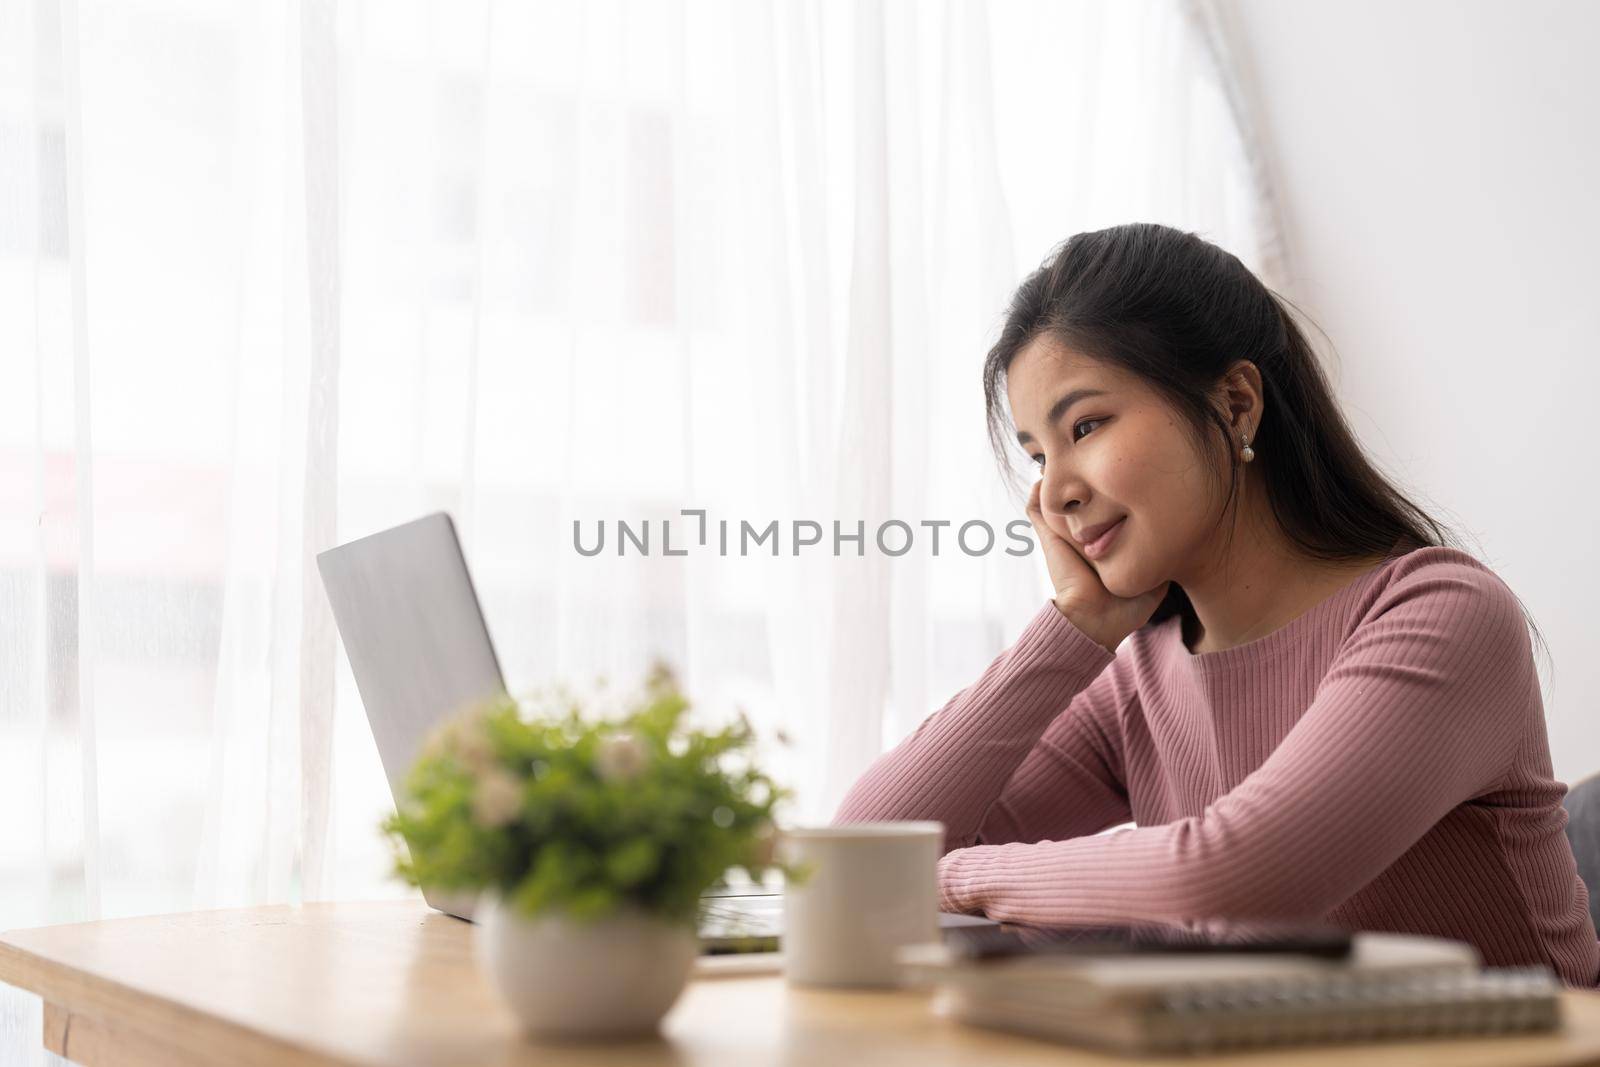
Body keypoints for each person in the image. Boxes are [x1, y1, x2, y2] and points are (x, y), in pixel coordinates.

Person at [833, 223, 1600, 986]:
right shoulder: (1141, 674)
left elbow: (1240, 875)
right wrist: (1072, 631)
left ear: (1236, 403)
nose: (1055, 492)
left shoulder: (1441, 614)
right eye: (1038, 454)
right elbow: (862, 849)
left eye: (1086, 425)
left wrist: (953, 875)